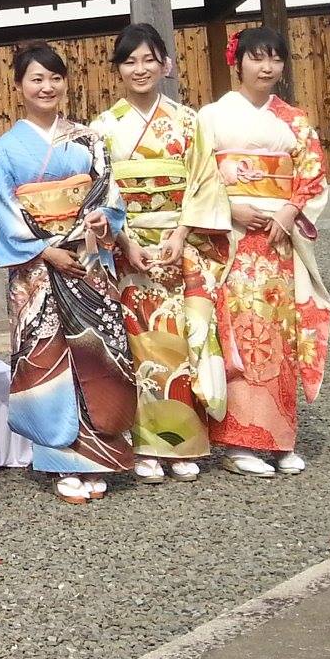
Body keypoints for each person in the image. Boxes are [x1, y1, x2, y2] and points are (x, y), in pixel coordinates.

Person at [0, 44, 136, 506]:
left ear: (65, 82)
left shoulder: (89, 139)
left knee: (97, 352)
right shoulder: (6, 148)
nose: (46, 87)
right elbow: (0, 207)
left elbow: (110, 196)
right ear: (18, 87)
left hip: (89, 260)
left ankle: (100, 453)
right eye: (35, 79)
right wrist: (46, 250)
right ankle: (58, 458)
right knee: (46, 355)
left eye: (54, 78)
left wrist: (103, 221)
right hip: (38, 267)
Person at [90, 24, 231, 485]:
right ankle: (146, 445)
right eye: (129, 61)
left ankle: (184, 443)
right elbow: (101, 192)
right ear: (118, 70)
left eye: (149, 59)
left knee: (183, 342)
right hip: (128, 251)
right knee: (138, 347)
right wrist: (124, 240)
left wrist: (182, 233)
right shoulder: (104, 127)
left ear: (165, 65)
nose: (140, 69)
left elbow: (204, 182)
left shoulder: (188, 122)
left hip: (178, 245)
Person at [198, 27, 330, 478]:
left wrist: (291, 211)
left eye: (275, 58)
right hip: (233, 243)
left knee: (281, 336)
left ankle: (281, 439)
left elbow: (311, 175)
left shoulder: (294, 119)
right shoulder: (212, 116)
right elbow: (197, 176)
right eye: (257, 58)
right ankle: (239, 442)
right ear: (237, 63)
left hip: (279, 244)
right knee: (240, 336)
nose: (267, 67)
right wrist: (230, 206)